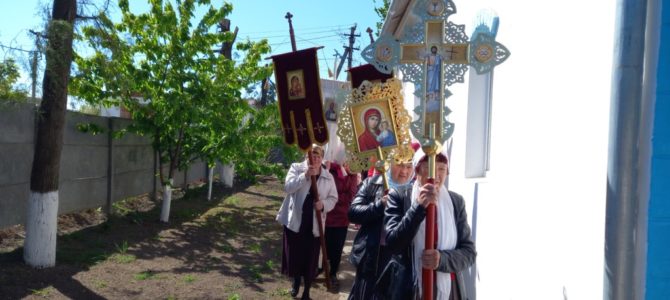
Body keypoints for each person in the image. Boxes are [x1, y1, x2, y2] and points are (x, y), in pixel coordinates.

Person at [380, 148, 476, 300]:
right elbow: (393, 243)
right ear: (417, 171)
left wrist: (442, 259)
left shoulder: (456, 202)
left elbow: (469, 253)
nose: (435, 175)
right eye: (428, 168)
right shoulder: (399, 196)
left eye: (442, 169)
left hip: (448, 288)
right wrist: (418, 207)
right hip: (411, 287)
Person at [276, 145, 338, 299]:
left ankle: (307, 291)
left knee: (310, 259)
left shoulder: (327, 176)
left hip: (314, 225)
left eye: (318, 155)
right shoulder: (296, 168)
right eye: (312, 155)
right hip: (296, 222)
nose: (315, 158)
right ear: (306, 156)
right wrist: (305, 175)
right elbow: (288, 187)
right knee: (295, 256)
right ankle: (296, 282)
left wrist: (323, 204)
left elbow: (333, 198)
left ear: (322, 158)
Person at [347, 158, 414, 300]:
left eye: (409, 166)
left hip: (400, 259)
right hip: (372, 255)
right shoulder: (373, 183)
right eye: (400, 165)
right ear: (390, 164)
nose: (404, 171)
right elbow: (352, 212)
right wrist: (379, 205)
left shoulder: (415, 192)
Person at [324, 160, 360, 290]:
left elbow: (352, 195)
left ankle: (333, 273)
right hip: (327, 216)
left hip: (342, 219)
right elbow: (325, 192)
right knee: (325, 246)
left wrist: (334, 197)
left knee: (337, 248)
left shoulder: (353, 176)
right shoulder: (331, 171)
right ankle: (323, 270)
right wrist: (336, 196)